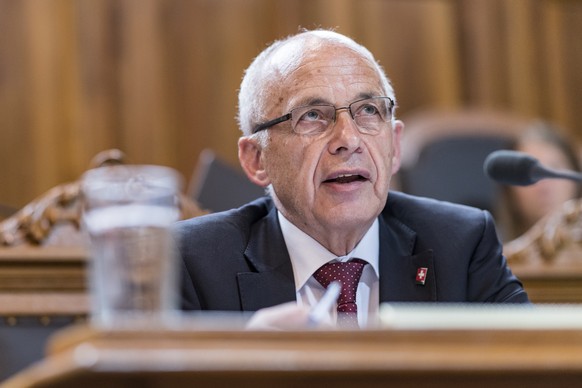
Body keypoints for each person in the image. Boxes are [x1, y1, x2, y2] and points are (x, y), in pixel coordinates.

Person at [174, 29, 529, 330]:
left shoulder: (462, 244)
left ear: (395, 144)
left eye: (369, 111)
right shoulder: (191, 262)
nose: (349, 139)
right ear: (256, 159)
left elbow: (531, 367)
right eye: (312, 116)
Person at [497, 121, 582, 242]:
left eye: (554, 168)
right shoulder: (492, 254)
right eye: (529, 174)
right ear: (509, 191)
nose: (544, 186)